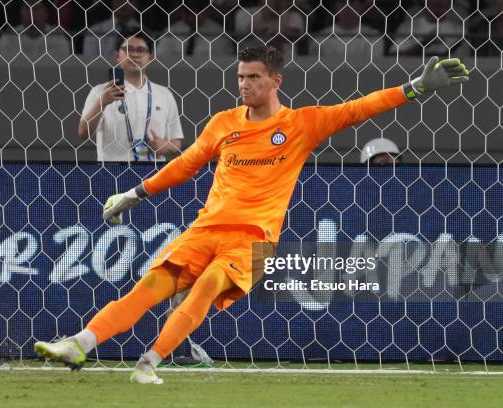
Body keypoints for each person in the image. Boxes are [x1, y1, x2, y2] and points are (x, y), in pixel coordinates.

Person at [36, 46, 469, 384]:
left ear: (275, 80)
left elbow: (358, 108)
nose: (244, 84)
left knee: (204, 287)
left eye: (254, 77)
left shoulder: (301, 124)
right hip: (206, 228)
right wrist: (134, 193)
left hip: (255, 241)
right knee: (149, 286)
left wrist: (416, 87)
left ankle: (149, 362)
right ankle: (80, 343)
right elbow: (186, 164)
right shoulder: (224, 122)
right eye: (241, 77)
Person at [78, 30, 183, 162]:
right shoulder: (100, 91)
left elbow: (177, 142)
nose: (134, 54)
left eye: (140, 50)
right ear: (117, 55)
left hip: (154, 174)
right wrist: (102, 102)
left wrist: (165, 146)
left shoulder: (164, 94)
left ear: (150, 57)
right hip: (112, 174)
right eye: (128, 49)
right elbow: (83, 133)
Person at [0, 0, 70, 61]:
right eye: (26, 8)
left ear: (46, 13)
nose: (31, 13)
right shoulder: (9, 36)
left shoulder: (57, 37)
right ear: (20, 12)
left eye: (36, 8)